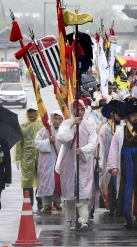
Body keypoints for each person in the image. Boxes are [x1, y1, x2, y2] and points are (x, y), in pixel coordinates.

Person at [56, 98, 98, 231]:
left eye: (81, 109)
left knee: (83, 193)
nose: (78, 111)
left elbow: (93, 142)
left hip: (83, 163)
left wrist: (83, 150)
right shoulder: (66, 124)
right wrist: (71, 125)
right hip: (68, 163)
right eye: (76, 109)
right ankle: (71, 220)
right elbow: (62, 138)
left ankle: (83, 220)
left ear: (84, 110)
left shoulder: (89, 125)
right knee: (70, 194)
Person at [15, 103, 44, 210]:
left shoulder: (42, 125)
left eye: (34, 112)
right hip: (27, 157)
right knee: (27, 180)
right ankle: (28, 202)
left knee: (41, 179)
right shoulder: (23, 126)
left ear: (37, 112)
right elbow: (19, 143)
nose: (32, 114)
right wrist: (18, 158)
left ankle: (40, 201)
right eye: (30, 112)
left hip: (41, 156)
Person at [34, 110, 64, 214]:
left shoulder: (64, 131)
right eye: (55, 119)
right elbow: (37, 143)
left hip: (59, 160)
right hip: (47, 163)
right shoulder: (44, 131)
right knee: (46, 182)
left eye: (59, 119)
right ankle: (46, 204)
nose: (56, 121)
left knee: (58, 182)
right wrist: (48, 141)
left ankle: (57, 202)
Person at [98, 100, 123, 215]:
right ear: (111, 114)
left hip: (123, 161)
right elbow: (101, 146)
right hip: (108, 161)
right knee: (111, 185)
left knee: (121, 184)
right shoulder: (104, 129)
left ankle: (121, 206)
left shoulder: (124, 128)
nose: (118, 115)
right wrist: (101, 162)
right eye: (116, 113)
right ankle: (112, 207)